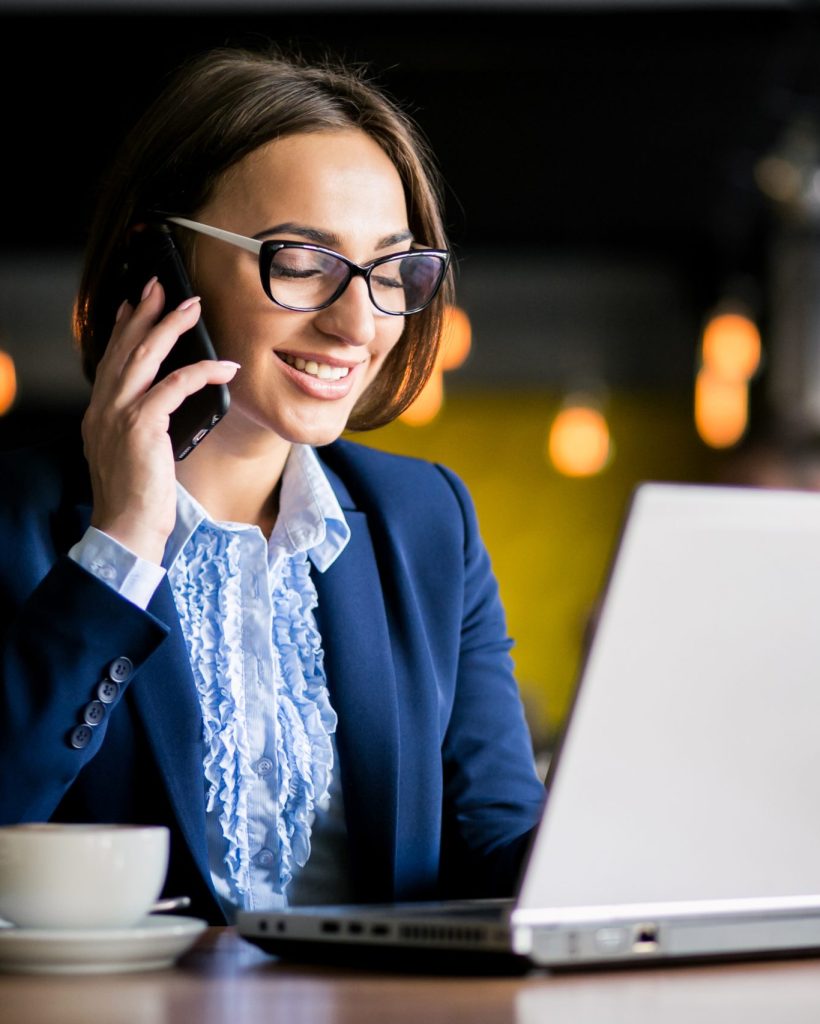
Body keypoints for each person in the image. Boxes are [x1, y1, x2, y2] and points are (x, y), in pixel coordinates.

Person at [0, 45, 546, 924]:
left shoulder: (427, 521)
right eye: (300, 262)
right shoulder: (18, 524)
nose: (358, 323)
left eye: (391, 268)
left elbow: (498, 845)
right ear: (161, 263)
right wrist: (123, 545)